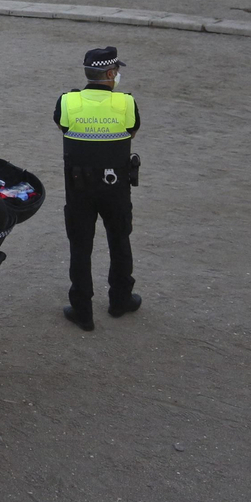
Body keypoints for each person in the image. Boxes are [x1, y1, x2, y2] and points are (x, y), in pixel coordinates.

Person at [54, 47, 141, 331]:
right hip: (115, 185)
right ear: (111, 73)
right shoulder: (126, 103)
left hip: (78, 186)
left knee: (80, 247)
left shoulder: (67, 102)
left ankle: (82, 310)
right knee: (119, 241)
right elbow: (131, 131)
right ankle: (120, 299)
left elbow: (62, 126)